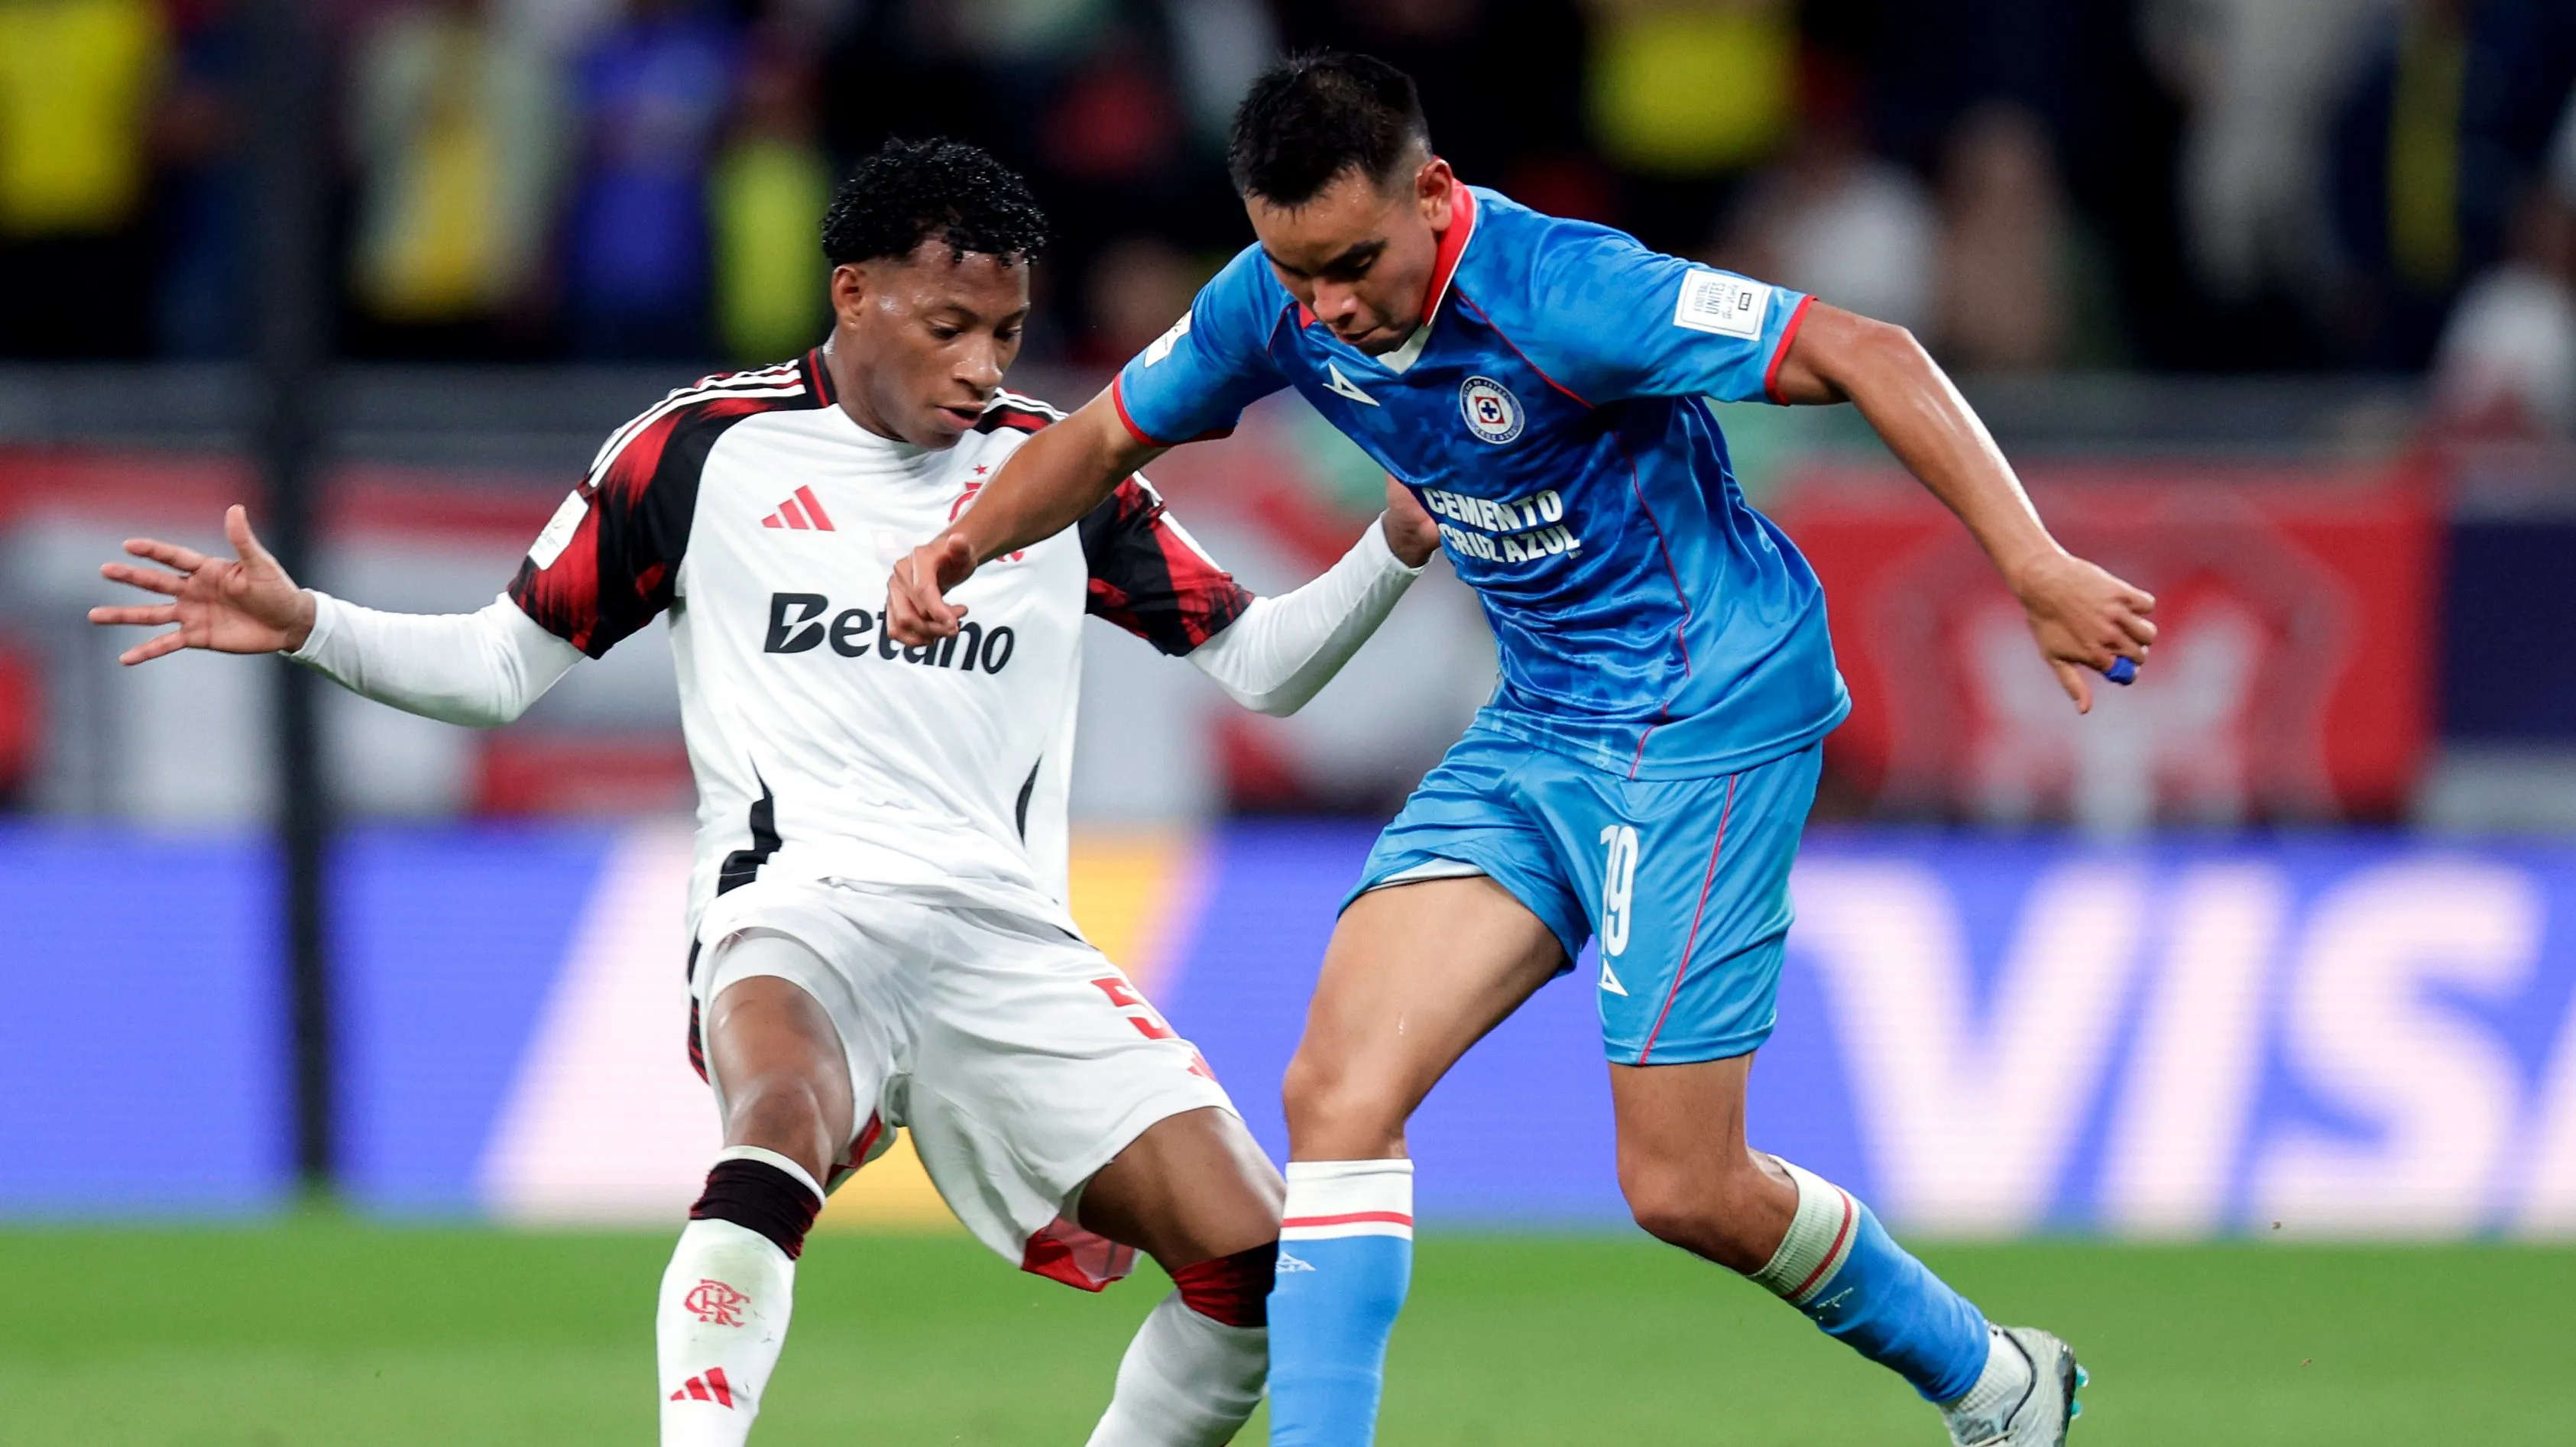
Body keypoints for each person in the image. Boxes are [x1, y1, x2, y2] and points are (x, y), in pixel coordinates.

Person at [888, 53, 2156, 1447]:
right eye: (1293, 270)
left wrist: (2031, 565)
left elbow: (1871, 351)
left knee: (1686, 1186)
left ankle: (1995, 1381)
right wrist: (963, 538)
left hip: (1705, 715)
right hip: (1539, 722)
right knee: (1337, 1089)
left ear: (1432, 194)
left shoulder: (1571, 291)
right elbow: (1101, 437)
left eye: (1353, 263)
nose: (1326, 309)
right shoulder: (1283, 302)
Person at [92, 138, 1440, 1447]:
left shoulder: (1054, 470)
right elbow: (500, 668)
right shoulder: (700, 452)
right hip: (796, 907)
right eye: (949, 325)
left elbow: (1261, 667)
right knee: (777, 1121)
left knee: (1259, 1269)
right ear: (854, 293)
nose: (980, 368)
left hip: (1004, 937)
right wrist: (310, 620)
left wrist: (1388, 542)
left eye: (1008, 335)